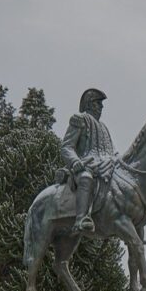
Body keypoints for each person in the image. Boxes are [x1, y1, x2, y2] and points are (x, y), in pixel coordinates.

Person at [61, 88, 115, 233]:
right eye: (98, 103)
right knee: (86, 178)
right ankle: (81, 219)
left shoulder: (104, 128)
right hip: (85, 166)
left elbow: (110, 151)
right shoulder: (80, 119)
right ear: (89, 104)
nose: (101, 106)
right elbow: (66, 146)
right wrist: (74, 161)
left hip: (105, 167)